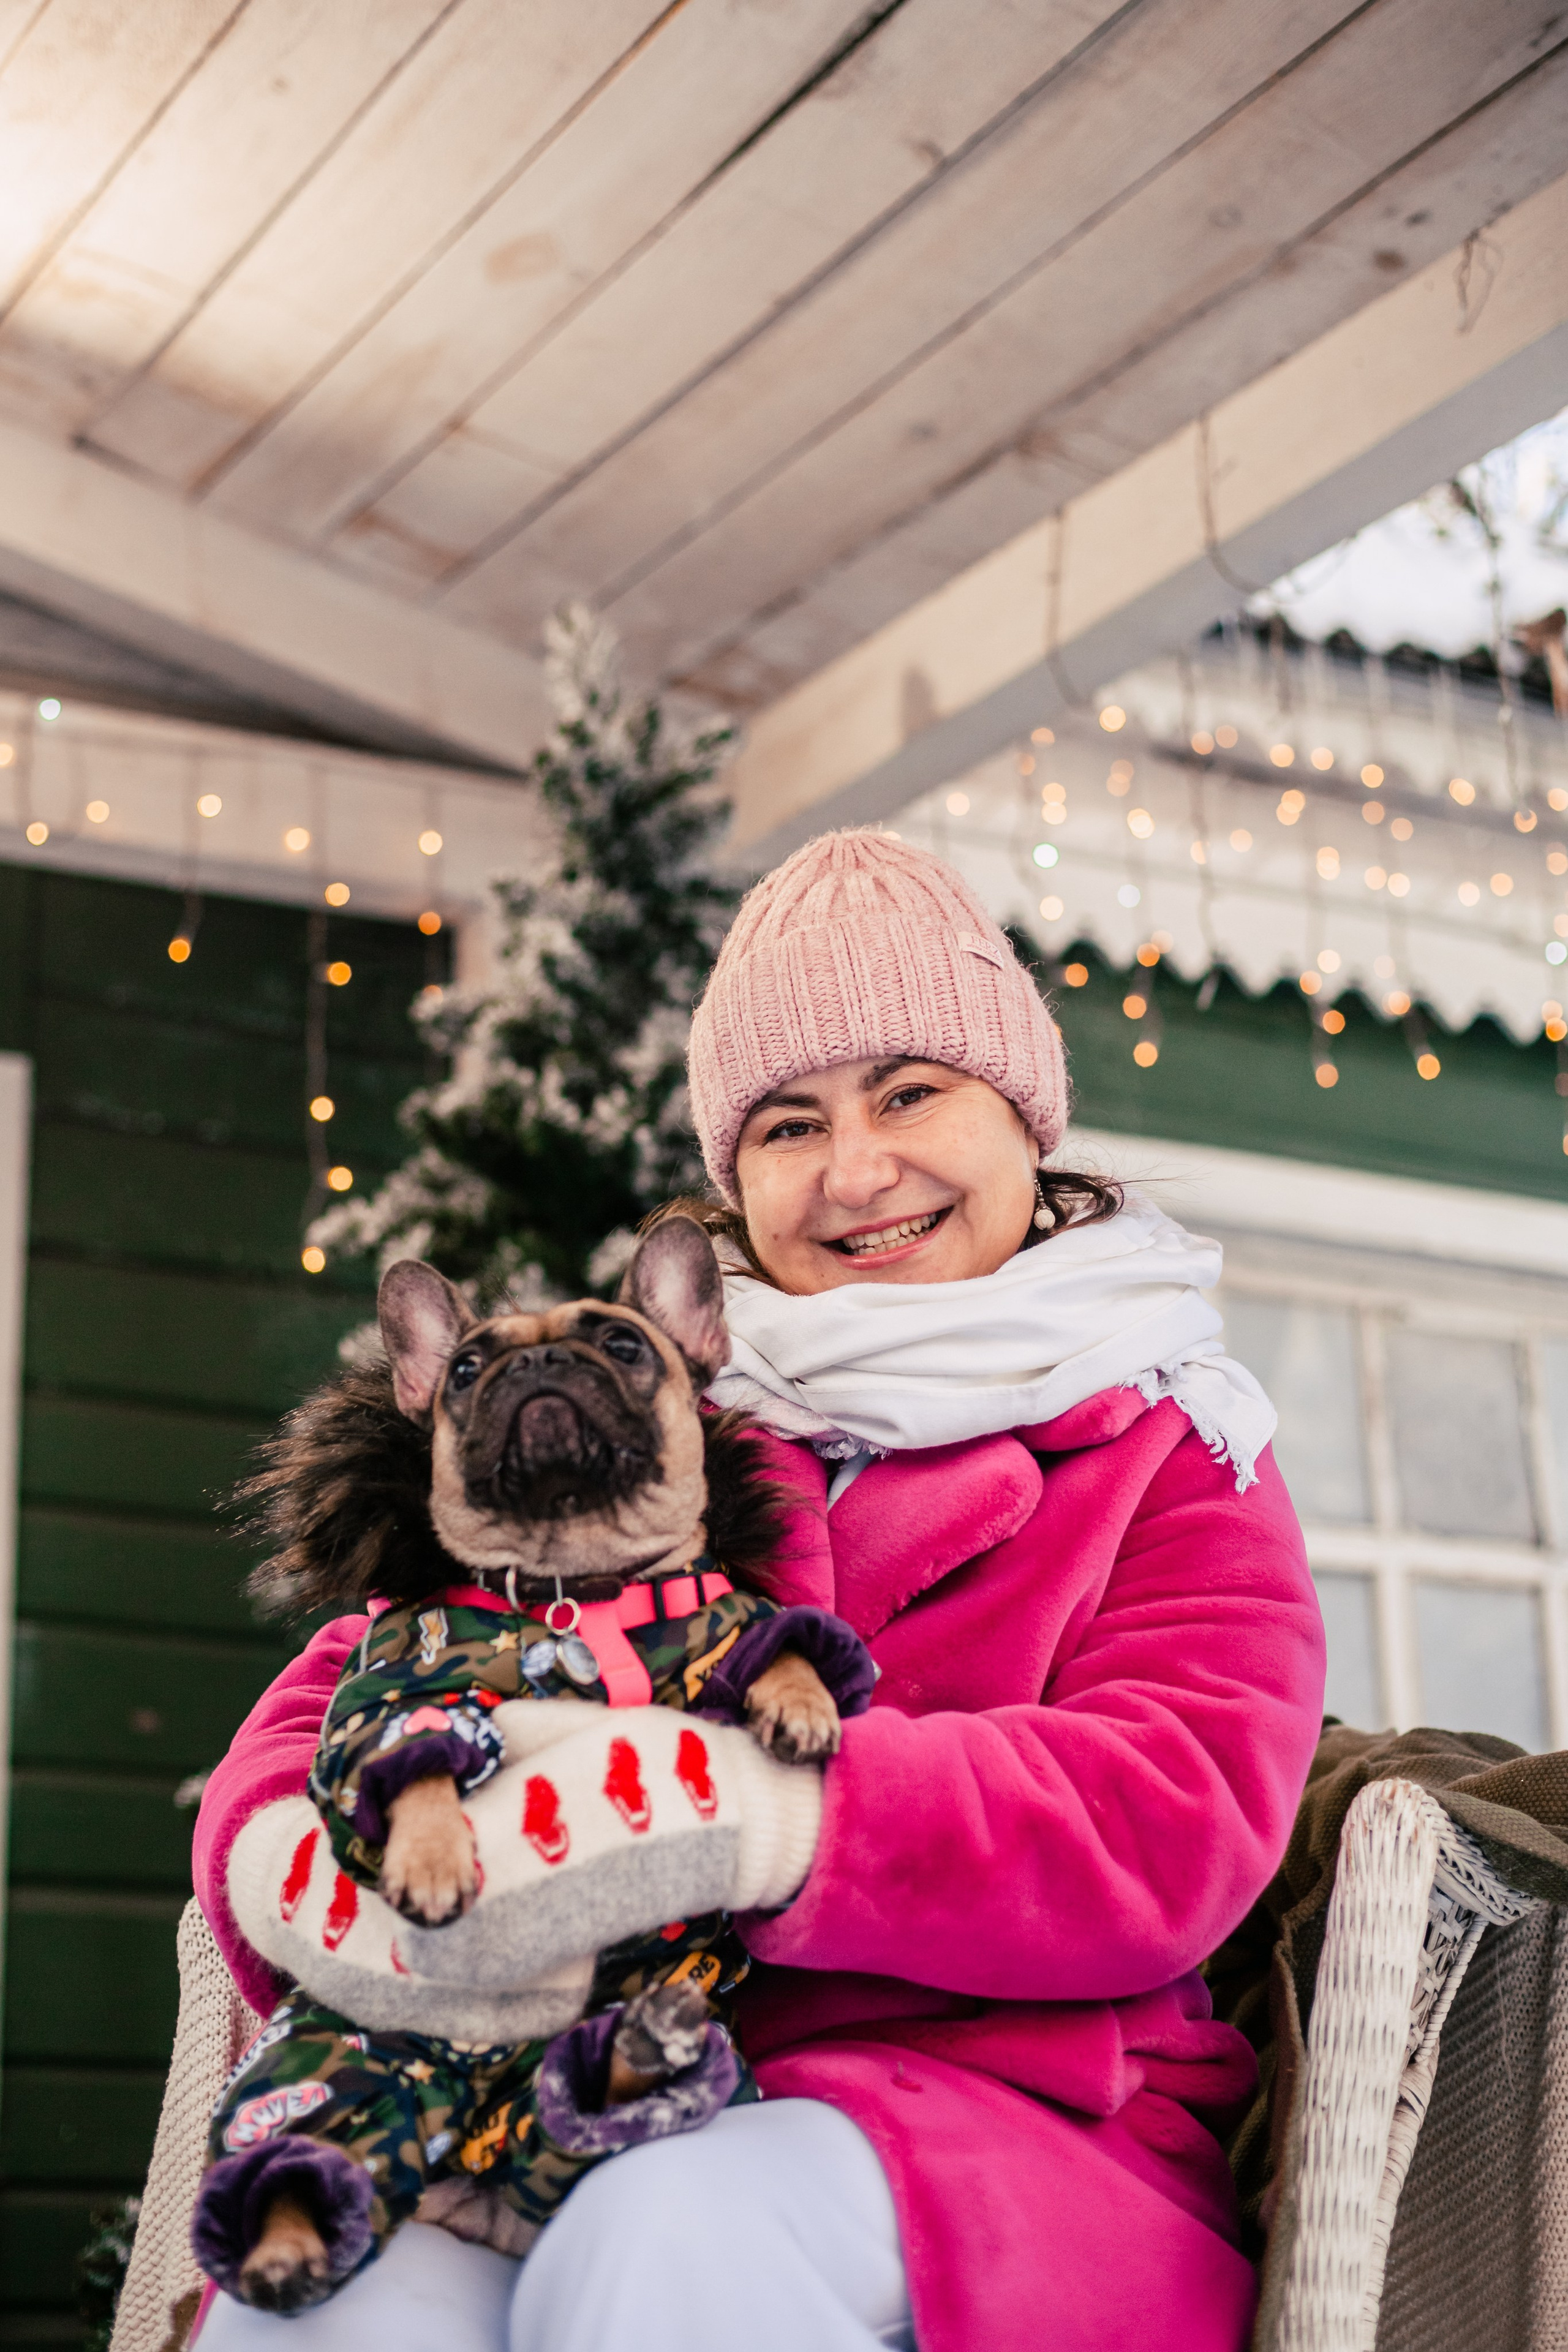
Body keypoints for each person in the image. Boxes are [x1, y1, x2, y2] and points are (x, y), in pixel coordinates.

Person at [193, 830, 1324, 2352]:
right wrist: (301, 1864)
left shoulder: (1172, 1444)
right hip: (555, 2090)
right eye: (790, 1124)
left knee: (668, 2248)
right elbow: (360, 1675)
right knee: (325, 2301)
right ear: (736, 1179)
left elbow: (1172, 1812)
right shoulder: (656, 1422)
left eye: (909, 1092)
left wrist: (760, 1815)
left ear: (1022, 1115)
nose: (856, 1171)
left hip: (1008, 2117)